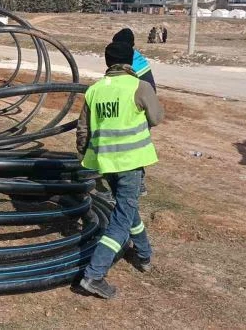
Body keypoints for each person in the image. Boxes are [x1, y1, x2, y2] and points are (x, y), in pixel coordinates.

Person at [76, 41, 164, 299]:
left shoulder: (94, 91)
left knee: (128, 208)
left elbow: (83, 130)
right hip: (130, 163)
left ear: (108, 62)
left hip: (106, 164)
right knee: (121, 221)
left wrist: (83, 155)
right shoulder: (140, 86)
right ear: (129, 62)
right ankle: (94, 275)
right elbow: (157, 118)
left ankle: (145, 255)